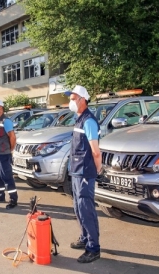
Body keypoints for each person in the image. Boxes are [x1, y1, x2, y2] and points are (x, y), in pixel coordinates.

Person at [65, 85, 102, 263]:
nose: (70, 102)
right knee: (78, 207)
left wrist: (97, 169)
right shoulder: (79, 119)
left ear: (82, 100)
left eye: (72, 98)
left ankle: (93, 248)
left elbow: (96, 151)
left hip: (85, 172)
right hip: (77, 171)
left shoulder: (89, 121)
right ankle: (85, 237)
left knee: (86, 209)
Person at [0, 100, 19, 210]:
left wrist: (10, 150)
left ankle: (13, 199)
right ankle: (0, 195)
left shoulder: (6, 121)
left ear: (1, 107)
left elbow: (12, 137)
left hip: (3, 154)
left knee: (7, 177)